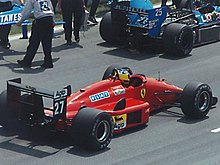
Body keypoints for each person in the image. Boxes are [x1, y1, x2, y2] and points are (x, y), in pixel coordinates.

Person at [16, 0, 55, 68]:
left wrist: (20, 21)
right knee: (47, 42)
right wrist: (53, 20)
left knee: (34, 42)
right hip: (49, 19)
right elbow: (51, 8)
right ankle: (48, 61)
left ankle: (27, 61)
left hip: (40, 20)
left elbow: (26, 12)